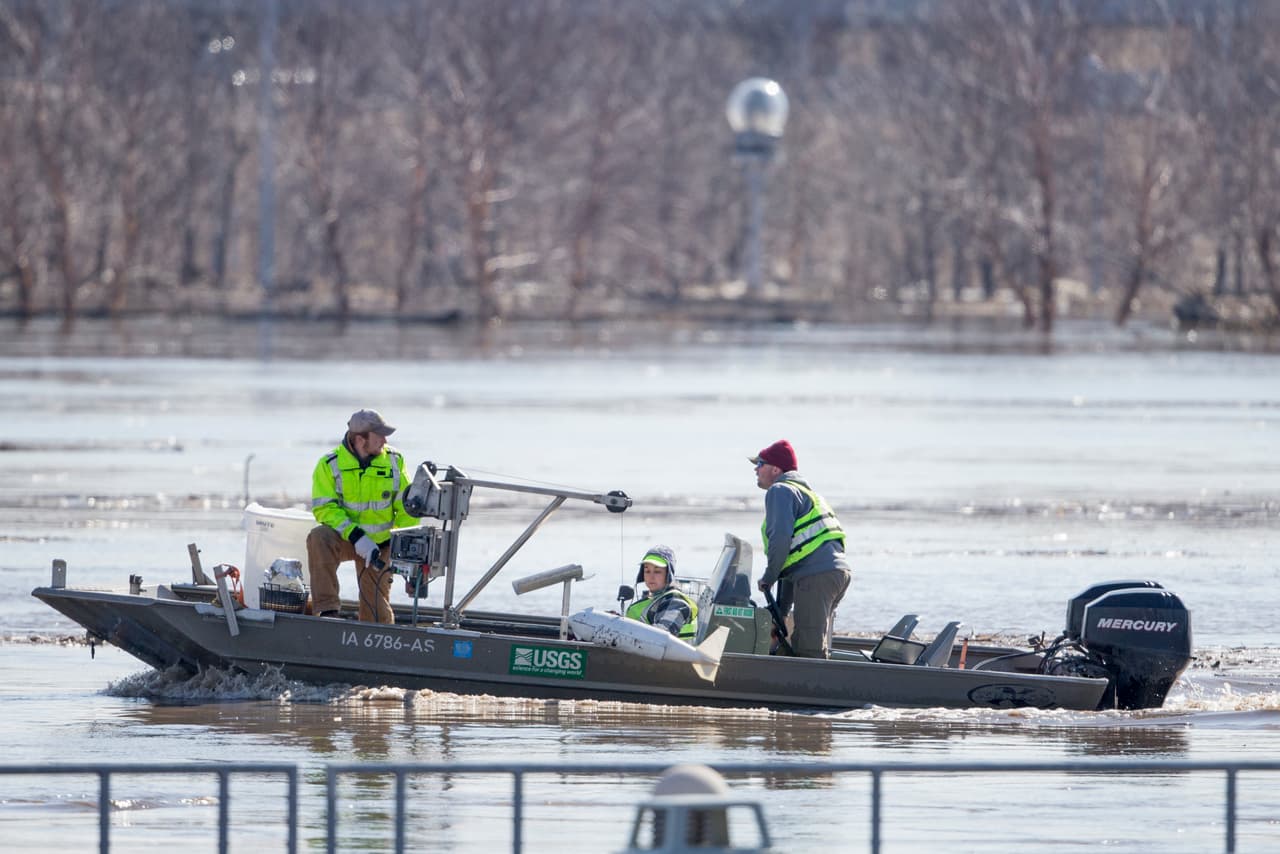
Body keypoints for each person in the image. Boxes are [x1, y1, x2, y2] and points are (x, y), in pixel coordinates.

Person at [307, 408, 417, 623]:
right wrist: (357, 536)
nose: (385, 440)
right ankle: (328, 612)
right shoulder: (329, 464)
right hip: (348, 539)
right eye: (379, 435)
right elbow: (324, 508)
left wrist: (404, 557)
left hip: (381, 547)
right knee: (319, 537)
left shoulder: (395, 461)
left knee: (376, 613)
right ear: (360, 439)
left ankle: (376, 641)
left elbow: (407, 509)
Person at [750, 439, 851, 658]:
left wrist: (769, 576)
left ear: (776, 469)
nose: (756, 469)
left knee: (808, 650)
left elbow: (781, 540)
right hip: (832, 575)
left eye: (760, 464)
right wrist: (781, 611)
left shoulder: (780, 491)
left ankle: (810, 689)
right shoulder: (806, 493)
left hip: (815, 577)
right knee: (808, 639)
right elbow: (793, 560)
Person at [625, 545, 699, 639]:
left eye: (657, 571)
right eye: (647, 571)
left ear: (668, 575)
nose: (651, 577)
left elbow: (662, 633)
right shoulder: (652, 599)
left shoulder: (676, 603)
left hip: (671, 653)